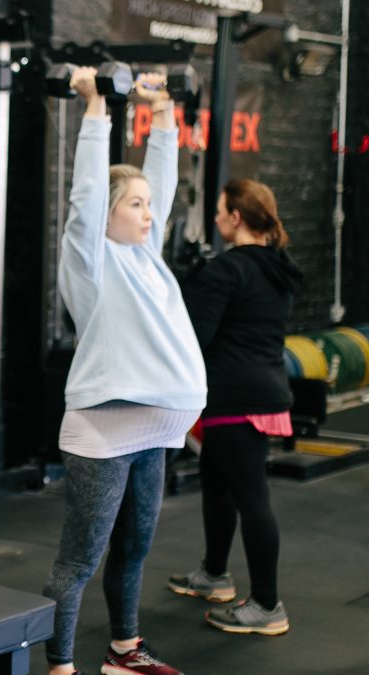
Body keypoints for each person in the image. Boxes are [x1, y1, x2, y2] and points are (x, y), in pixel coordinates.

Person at [44, 67, 207, 675]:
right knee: (79, 560)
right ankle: (59, 666)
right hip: (104, 433)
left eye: (147, 205)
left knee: (134, 549)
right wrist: (96, 108)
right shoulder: (92, 262)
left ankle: (122, 652)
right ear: (109, 214)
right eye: (134, 204)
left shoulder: (146, 258)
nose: (147, 213)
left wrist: (163, 112)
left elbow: (162, 183)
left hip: (156, 433)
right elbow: (85, 196)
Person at [168, 179, 302, 636]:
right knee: (216, 483)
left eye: (221, 211)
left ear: (236, 218)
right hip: (264, 390)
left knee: (251, 498)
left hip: (233, 397)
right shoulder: (277, 266)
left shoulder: (229, 269)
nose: (218, 218)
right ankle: (214, 574)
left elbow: (197, 335)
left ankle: (267, 605)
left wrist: (188, 285)